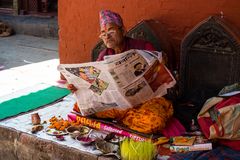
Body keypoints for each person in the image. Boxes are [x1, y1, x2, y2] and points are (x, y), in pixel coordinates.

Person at [68, 9, 156, 91]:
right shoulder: (104, 55)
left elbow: (158, 71)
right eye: (103, 33)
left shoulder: (143, 46)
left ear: (123, 31)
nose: (107, 37)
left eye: (111, 31)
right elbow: (99, 86)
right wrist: (79, 87)